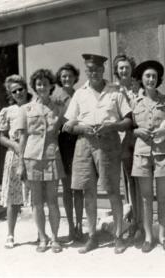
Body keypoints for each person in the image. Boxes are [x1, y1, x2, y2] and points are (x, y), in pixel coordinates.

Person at [63, 53, 132, 254]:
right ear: (86, 71)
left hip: (108, 142)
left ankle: (119, 236)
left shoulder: (115, 91)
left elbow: (128, 121)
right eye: (90, 70)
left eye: (98, 70)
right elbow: (68, 126)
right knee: (88, 192)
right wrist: (82, 128)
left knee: (112, 190)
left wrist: (112, 126)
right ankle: (92, 236)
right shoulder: (79, 94)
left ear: (103, 71)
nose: (94, 73)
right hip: (84, 144)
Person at [131, 60, 165, 253]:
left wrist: (164, 132)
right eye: (147, 76)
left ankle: (162, 236)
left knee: (162, 197)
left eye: (153, 76)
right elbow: (130, 128)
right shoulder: (133, 102)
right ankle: (148, 237)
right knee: (145, 198)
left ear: (157, 79)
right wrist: (137, 132)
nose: (151, 79)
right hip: (142, 154)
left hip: (162, 154)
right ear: (142, 80)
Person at [15, 69, 65, 253]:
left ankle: (55, 238)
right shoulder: (25, 109)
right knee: (36, 202)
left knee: (52, 201)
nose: (42, 87)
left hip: (52, 156)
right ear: (34, 87)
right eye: (38, 84)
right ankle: (42, 238)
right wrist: (20, 164)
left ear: (51, 86)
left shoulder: (58, 108)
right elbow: (22, 138)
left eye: (45, 84)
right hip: (32, 158)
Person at [0, 74, 32, 249]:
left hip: (33, 153)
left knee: (38, 196)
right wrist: (15, 145)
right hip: (14, 156)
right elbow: (2, 138)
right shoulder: (7, 111)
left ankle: (43, 234)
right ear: (10, 94)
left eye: (21, 89)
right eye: (14, 91)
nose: (18, 93)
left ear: (26, 89)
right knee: (13, 197)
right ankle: (10, 234)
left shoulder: (34, 106)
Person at [112, 54, 143, 242]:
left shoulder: (137, 88)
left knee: (139, 179)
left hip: (137, 138)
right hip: (121, 139)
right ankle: (131, 221)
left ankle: (141, 221)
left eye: (127, 67)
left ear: (132, 69)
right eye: (120, 68)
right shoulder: (112, 90)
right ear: (117, 70)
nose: (124, 70)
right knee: (127, 181)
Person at [51, 63, 84, 242]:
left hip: (78, 141)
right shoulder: (55, 98)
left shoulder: (80, 94)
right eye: (63, 76)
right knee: (66, 188)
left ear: (75, 77)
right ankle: (70, 225)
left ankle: (79, 224)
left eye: (70, 76)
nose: (67, 79)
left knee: (78, 187)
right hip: (63, 143)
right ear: (60, 78)